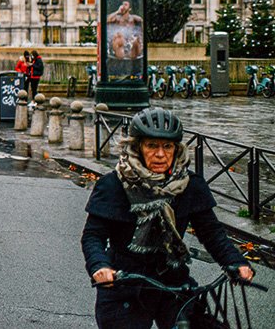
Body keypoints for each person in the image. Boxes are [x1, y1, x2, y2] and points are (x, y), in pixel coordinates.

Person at [81, 108, 253, 328]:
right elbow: (93, 236)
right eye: (152, 146)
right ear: (138, 148)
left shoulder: (189, 185)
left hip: (173, 282)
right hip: (124, 283)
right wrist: (99, 266)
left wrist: (234, 261)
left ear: (176, 149)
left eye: (167, 146)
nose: (160, 154)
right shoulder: (113, 185)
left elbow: (211, 233)